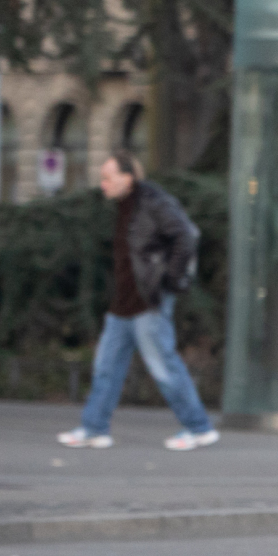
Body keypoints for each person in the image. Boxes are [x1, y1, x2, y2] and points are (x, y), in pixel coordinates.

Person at [59, 151, 218, 451]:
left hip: (149, 301)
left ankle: (199, 428)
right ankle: (94, 429)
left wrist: (169, 280)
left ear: (127, 178)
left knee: (164, 368)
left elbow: (185, 236)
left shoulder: (154, 202)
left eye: (108, 178)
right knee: (106, 367)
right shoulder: (123, 206)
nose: (102, 184)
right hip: (122, 304)